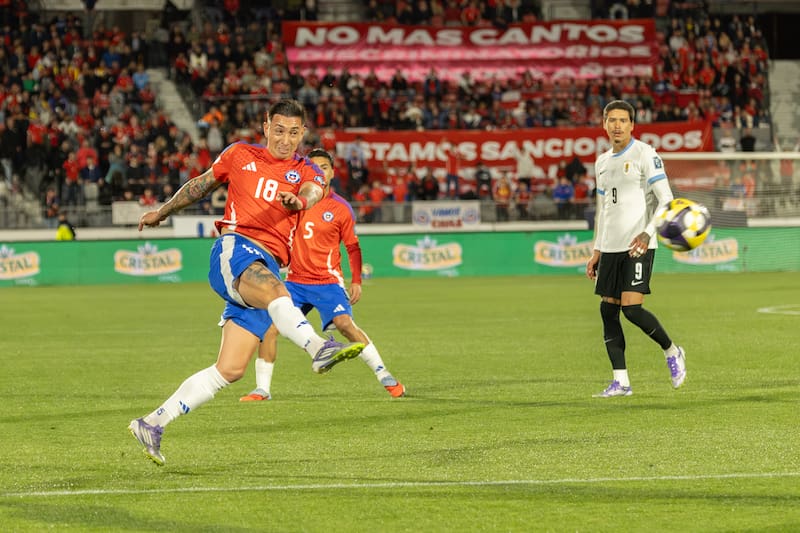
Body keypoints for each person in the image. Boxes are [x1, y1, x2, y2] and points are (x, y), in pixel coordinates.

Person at [128, 99, 366, 466]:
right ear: (266, 126)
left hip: (266, 265)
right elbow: (201, 184)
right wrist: (162, 211)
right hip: (235, 248)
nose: (285, 140)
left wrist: (300, 202)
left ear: (302, 134)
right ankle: (318, 348)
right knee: (278, 291)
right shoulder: (239, 155)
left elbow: (312, 192)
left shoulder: (307, 171)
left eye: (293, 133)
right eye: (279, 130)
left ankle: (152, 423)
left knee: (231, 369)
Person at [240, 149, 405, 402]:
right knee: (269, 328)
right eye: (314, 168)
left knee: (344, 326)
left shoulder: (340, 208)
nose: (320, 172)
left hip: (327, 282)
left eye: (324, 167)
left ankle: (384, 375)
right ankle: (262, 389)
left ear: (331, 172)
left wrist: (357, 281)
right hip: (294, 281)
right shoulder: (293, 201)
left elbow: (352, 247)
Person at [585, 100, 686, 398]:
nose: (617, 125)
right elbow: (602, 210)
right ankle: (621, 382)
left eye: (623, 120)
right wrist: (596, 250)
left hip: (639, 243)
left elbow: (667, 200)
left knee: (631, 308)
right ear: (604, 124)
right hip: (611, 246)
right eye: (611, 120)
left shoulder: (646, 154)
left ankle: (672, 351)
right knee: (608, 309)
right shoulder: (601, 162)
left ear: (632, 125)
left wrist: (647, 232)